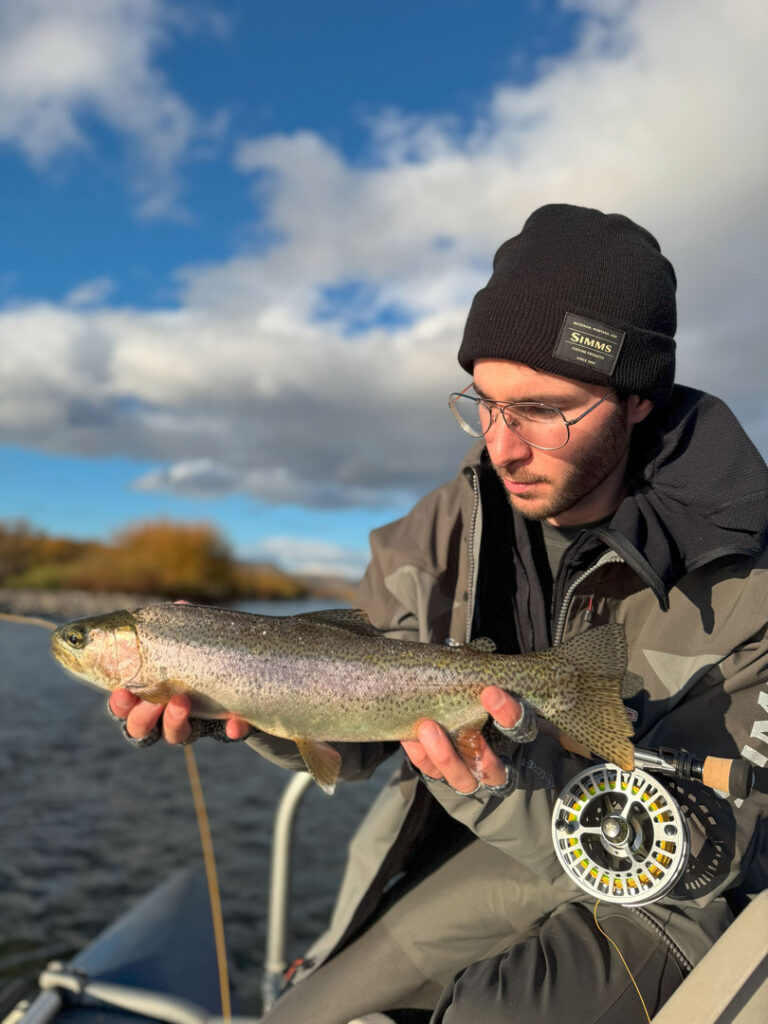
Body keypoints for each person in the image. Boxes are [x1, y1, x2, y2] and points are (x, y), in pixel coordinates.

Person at [110, 204, 768, 1024]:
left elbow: (705, 858)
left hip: (652, 893)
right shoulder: (433, 530)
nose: (502, 446)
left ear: (637, 400)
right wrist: (231, 696)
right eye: (484, 403)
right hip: (460, 839)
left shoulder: (747, 583)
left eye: (544, 409)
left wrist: (494, 782)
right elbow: (352, 734)